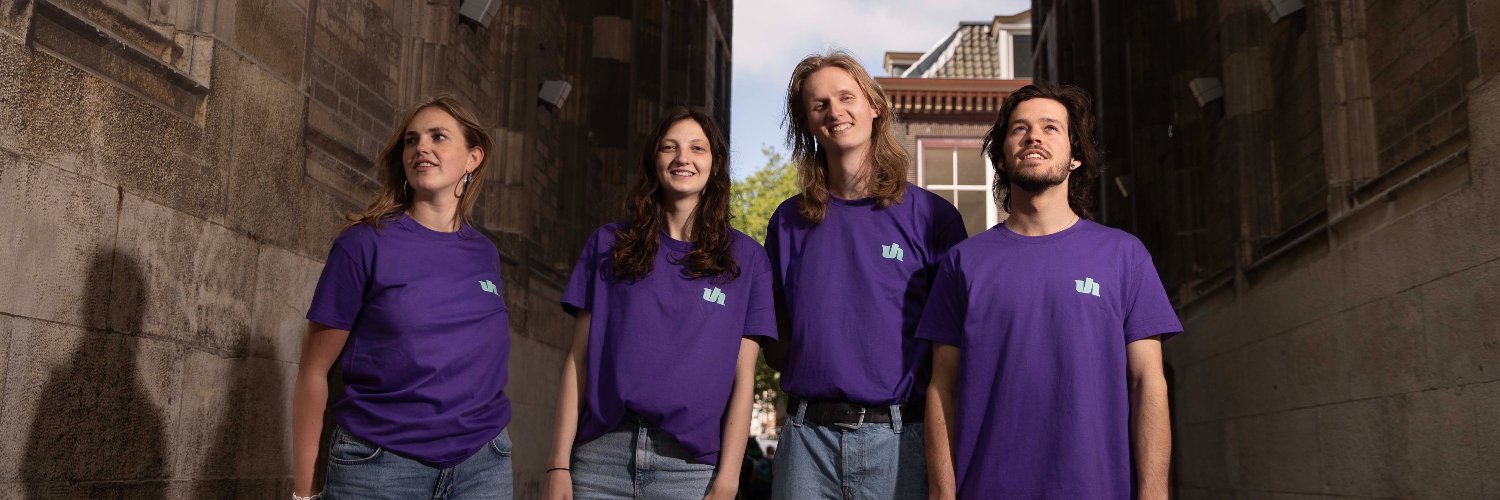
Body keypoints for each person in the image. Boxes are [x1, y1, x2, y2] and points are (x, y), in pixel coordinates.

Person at [918, 84, 1182, 499]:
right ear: (1003, 156)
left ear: (1075, 156)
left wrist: (1154, 495)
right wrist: (941, 493)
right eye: (1019, 129)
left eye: (1050, 128)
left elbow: (1148, 382)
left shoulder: (1124, 256)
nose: (1033, 136)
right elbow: (941, 388)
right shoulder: (963, 263)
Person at [763, 51, 968, 499]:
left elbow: (953, 354)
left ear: (874, 106)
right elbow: (775, 343)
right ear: (808, 124)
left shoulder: (934, 218)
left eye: (845, 97)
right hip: (806, 445)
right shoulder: (787, 222)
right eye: (819, 105)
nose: (835, 112)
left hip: (901, 441)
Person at [544, 108, 775, 499]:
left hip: (688, 471)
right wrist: (558, 464)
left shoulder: (747, 260)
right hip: (601, 461)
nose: (683, 158)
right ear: (654, 160)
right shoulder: (609, 245)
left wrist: (729, 479)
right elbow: (577, 361)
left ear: (715, 164)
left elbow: (743, 379)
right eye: (670, 147)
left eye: (696, 148)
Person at [291, 95, 513, 499]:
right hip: (380, 467)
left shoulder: (485, 254)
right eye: (412, 140)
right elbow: (313, 372)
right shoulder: (363, 244)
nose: (421, 148)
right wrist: (303, 493)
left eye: (438, 137)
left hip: (483, 466)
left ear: (473, 158)